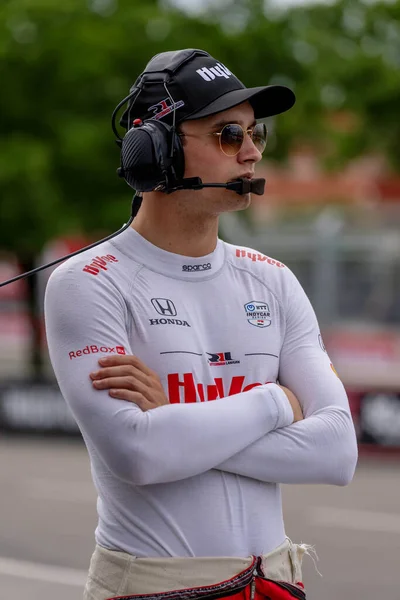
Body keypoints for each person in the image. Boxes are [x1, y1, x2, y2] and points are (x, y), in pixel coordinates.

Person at [44, 48, 358, 600]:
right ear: (156, 151)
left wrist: (177, 421)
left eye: (255, 132)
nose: (254, 151)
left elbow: (337, 452)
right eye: (228, 135)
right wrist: (276, 404)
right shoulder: (87, 282)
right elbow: (140, 454)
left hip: (274, 586)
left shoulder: (273, 280)